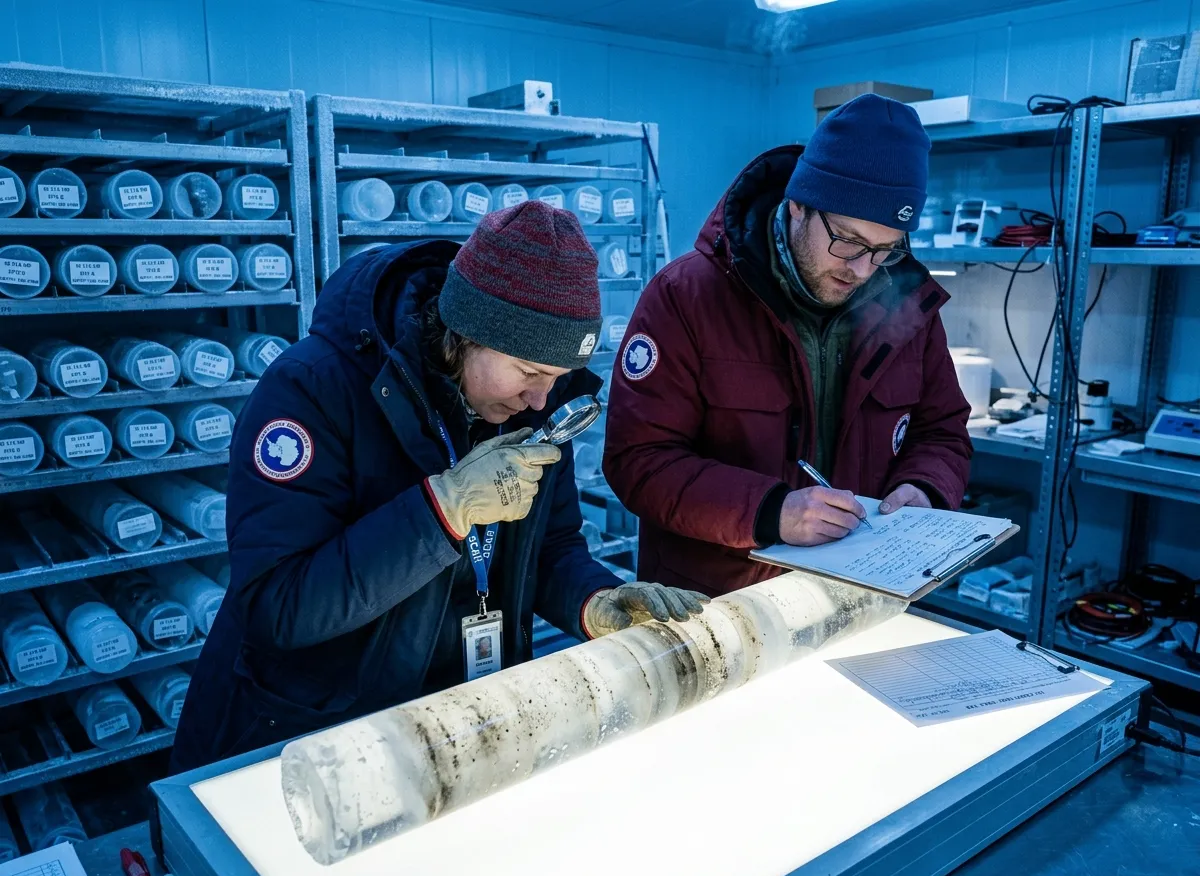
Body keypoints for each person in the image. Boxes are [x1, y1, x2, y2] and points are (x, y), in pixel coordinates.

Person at [170, 203, 707, 773]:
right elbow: (277, 606)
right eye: (528, 373)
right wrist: (442, 511)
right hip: (317, 738)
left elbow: (549, 549)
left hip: (457, 726)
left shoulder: (531, 401)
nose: (540, 401)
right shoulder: (312, 392)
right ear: (467, 332)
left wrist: (595, 602)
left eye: (555, 379)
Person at [603, 94, 972, 597]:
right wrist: (769, 511)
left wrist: (925, 488)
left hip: (858, 595)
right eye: (848, 241)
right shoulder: (687, 297)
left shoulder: (909, 310)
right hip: (716, 607)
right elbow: (639, 460)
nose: (862, 270)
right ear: (798, 205)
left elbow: (943, 430)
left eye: (885, 250)